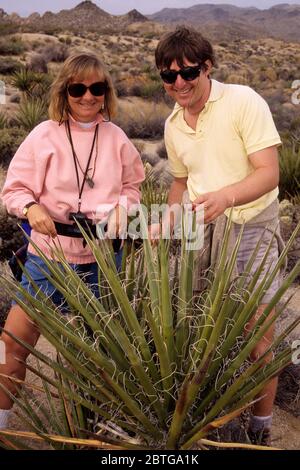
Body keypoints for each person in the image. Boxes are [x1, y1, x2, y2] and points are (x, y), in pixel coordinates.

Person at [0, 52, 145, 430]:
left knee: (99, 354)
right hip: (48, 257)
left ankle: (87, 429)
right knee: (11, 344)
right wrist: (31, 208)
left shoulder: (116, 138)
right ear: (64, 91)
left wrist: (122, 209)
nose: (87, 96)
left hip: (101, 260)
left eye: (97, 88)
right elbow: (13, 190)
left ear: (106, 92)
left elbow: (133, 186)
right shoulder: (43, 134)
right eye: (78, 88)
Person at [153, 27, 283, 445]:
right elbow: (180, 183)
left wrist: (226, 196)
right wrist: (165, 222)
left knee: (257, 332)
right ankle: (207, 414)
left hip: (249, 224)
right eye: (168, 77)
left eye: (188, 73)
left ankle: (261, 428)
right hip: (200, 229)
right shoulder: (174, 125)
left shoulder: (243, 101)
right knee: (196, 322)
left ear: (207, 67)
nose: (179, 85)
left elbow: (269, 171)